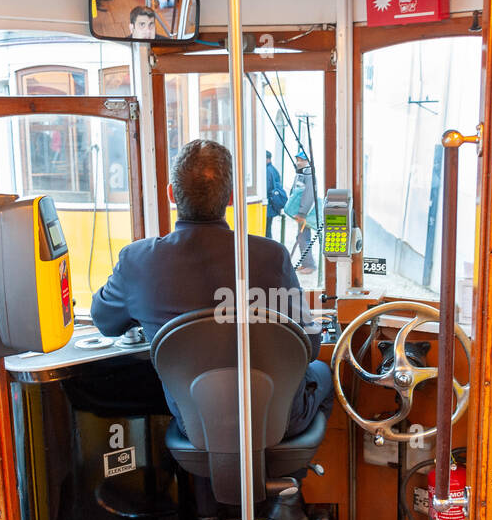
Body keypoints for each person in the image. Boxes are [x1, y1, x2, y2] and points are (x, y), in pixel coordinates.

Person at [91, 139, 333, 441]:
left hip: (196, 425)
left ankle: (210, 485)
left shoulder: (137, 261)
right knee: (325, 373)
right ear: (231, 198)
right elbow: (309, 346)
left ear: (171, 195)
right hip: (279, 419)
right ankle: (289, 480)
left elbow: (104, 322)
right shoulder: (271, 256)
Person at [283, 149, 317, 273]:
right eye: (298, 160)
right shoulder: (301, 174)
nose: (298, 162)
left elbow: (308, 195)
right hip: (301, 213)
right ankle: (306, 263)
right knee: (302, 237)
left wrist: (302, 213)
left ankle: (310, 265)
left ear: (307, 161)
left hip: (304, 214)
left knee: (303, 238)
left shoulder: (309, 175)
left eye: (301, 160)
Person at [264, 150, 287, 238]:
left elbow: (267, 188)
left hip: (269, 206)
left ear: (268, 159)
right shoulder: (273, 169)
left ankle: (268, 249)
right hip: (272, 206)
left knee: (267, 231)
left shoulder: (268, 171)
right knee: (268, 229)